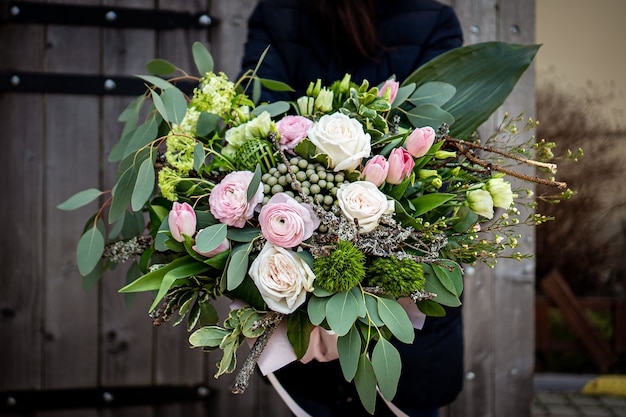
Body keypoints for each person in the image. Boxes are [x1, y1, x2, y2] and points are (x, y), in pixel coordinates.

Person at [239, 1, 464, 415]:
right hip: (309, 317)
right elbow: (254, 139)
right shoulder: (280, 14)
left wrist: (311, 290)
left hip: (339, 310)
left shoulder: (431, 21)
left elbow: (442, 155)